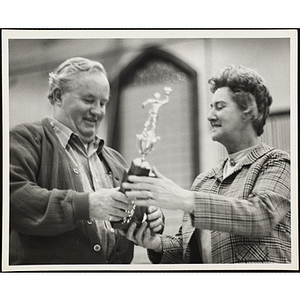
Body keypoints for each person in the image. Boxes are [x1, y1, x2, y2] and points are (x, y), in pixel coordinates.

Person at [122, 65, 291, 264]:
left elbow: (259, 217)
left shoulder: (278, 163)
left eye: (219, 107)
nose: (210, 115)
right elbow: (187, 250)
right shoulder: (204, 181)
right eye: (211, 107)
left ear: (248, 110)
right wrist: (156, 243)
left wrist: (182, 197)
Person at [9, 57, 163, 265]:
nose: (98, 111)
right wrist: (86, 205)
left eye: (103, 103)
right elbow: (14, 199)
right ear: (57, 97)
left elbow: (130, 214)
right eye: (88, 100)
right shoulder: (26, 139)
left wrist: (150, 217)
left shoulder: (114, 159)